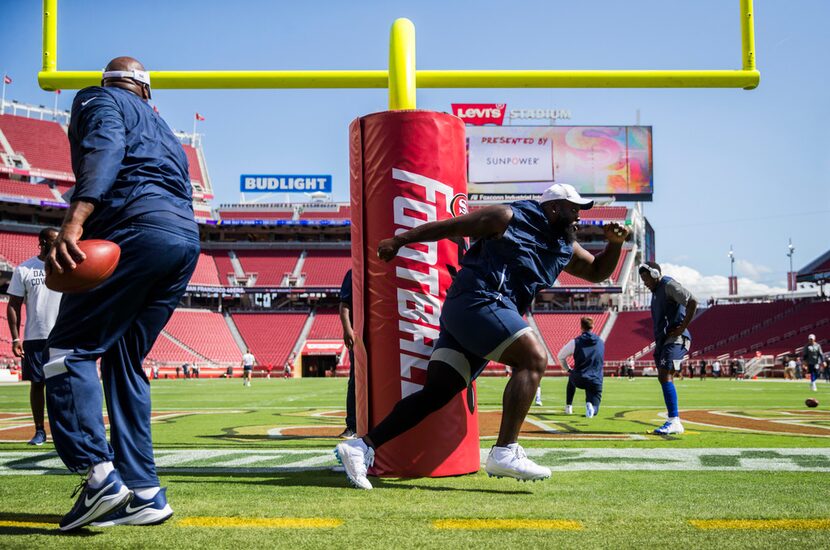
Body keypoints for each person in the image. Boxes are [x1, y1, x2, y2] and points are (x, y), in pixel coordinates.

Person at [335, 183, 629, 489]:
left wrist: (615, 245)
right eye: (573, 209)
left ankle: (360, 447)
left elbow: (597, 272)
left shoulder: (562, 244)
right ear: (553, 208)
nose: (579, 217)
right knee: (534, 358)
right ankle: (504, 451)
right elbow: (450, 226)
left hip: (479, 312)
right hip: (477, 301)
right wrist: (400, 240)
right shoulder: (507, 217)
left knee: (436, 393)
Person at [43, 57, 199, 530]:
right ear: (147, 91)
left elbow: (105, 148)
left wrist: (75, 217)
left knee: (67, 351)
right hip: (184, 240)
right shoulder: (166, 130)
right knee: (125, 360)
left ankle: (100, 480)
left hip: (134, 232)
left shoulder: (99, 98)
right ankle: (146, 491)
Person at [6, 228, 62, 446]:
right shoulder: (24, 269)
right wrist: (15, 338)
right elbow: (13, 305)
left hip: (62, 336)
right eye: (53, 241)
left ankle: (62, 432)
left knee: (62, 385)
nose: (57, 244)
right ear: (42, 242)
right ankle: (39, 430)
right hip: (34, 337)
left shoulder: (66, 267)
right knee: (37, 384)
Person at [638, 262, 698, 435]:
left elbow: (692, 301)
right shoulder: (656, 292)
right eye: (642, 279)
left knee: (665, 375)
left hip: (676, 338)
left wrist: (682, 327)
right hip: (664, 340)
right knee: (663, 377)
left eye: (646, 278)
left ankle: (674, 421)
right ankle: (673, 419)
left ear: (656, 274)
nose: (645, 282)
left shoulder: (668, 285)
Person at [558, 317, 605, 418]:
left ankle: (568, 406)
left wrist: (568, 370)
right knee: (595, 407)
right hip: (596, 380)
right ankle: (591, 407)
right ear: (593, 326)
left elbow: (560, 356)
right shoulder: (601, 342)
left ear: (581, 327)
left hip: (580, 378)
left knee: (571, 378)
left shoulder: (576, 342)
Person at [338, 269, 357, 438]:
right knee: (356, 379)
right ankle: (352, 425)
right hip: (360, 333)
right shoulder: (354, 272)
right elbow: (345, 304)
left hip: (384, 334)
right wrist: (347, 329)